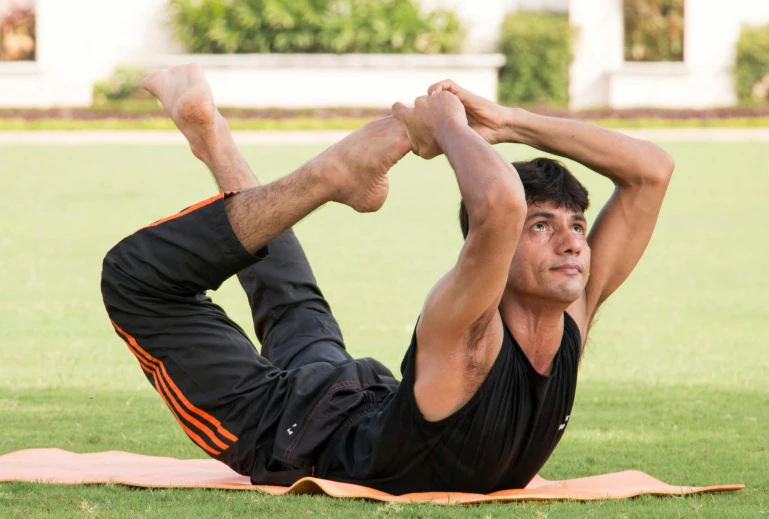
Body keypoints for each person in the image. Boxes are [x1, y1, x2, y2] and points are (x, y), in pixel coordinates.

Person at [101, 64, 674, 494]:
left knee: (290, 297)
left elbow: (652, 172)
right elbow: (498, 203)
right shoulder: (472, 330)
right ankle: (321, 172)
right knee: (135, 279)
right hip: (293, 434)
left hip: (354, 402)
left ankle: (212, 135)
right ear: (495, 254)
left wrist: (506, 122)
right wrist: (448, 121)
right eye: (543, 226)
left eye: (576, 225)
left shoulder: (569, 315)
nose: (574, 241)